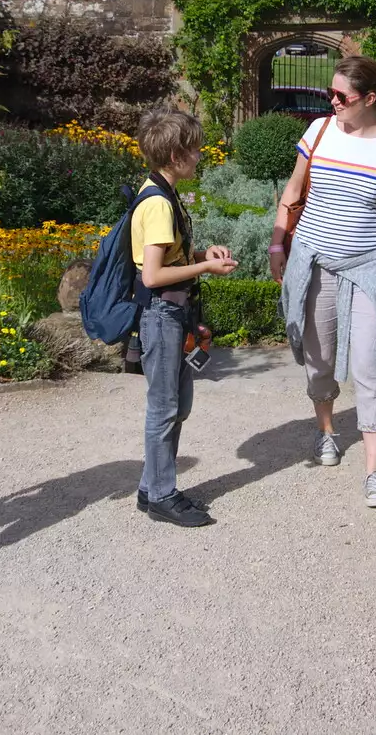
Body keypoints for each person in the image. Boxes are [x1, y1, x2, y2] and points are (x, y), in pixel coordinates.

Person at [270, 56, 376, 508]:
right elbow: (293, 194)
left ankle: (375, 472)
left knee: (371, 368)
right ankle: (327, 432)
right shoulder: (317, 132)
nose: (331, 102)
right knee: (318, 359)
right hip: (314, 260)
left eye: (341, 96)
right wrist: (278, 245)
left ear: (369, 99)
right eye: (328, 95)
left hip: (372, 266)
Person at [131, 107, 238, 527]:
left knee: (176, 405)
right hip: (162, 314)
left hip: (173, 312)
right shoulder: (158, 203)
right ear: (176, 156)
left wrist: (199, 256)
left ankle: (152, 485)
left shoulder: (161, 191)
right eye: (194, 150)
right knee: (164, 407)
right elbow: (153, 274)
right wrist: (205, 268)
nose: (200, 155)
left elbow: (163, 258)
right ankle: (160, 494)